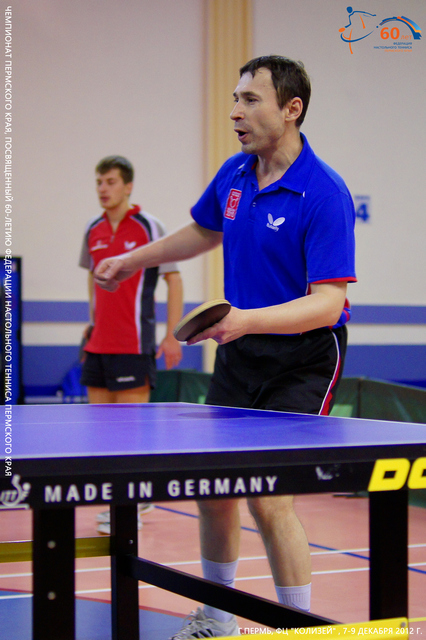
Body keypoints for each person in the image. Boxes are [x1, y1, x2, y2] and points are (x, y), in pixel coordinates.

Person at [93, 56, 357, 637]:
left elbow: (328, 303)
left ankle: (297, 628)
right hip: (241, 349)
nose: (235, 112)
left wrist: (245, 320)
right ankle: (217, 619)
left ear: (292, 109)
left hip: (305, 356)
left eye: (250, 100)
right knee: (214, 489)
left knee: (270, 498)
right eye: (235, 99)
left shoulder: (324, 191)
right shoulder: (235, 173)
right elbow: (202, 231)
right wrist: (132, 260)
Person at [79, 155, 183, 533]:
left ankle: (130, 504)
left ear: (128, 186)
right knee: (102, 434)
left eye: (110, 182)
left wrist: (172, 335)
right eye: (99, 182)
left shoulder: (149, 226)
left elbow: (173, 278)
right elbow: (93, 276)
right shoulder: (92, 229)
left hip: (134, 345)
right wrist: (93, 321)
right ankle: (123, 498)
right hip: (98, 346)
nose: (103, 189)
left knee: (129, 434)